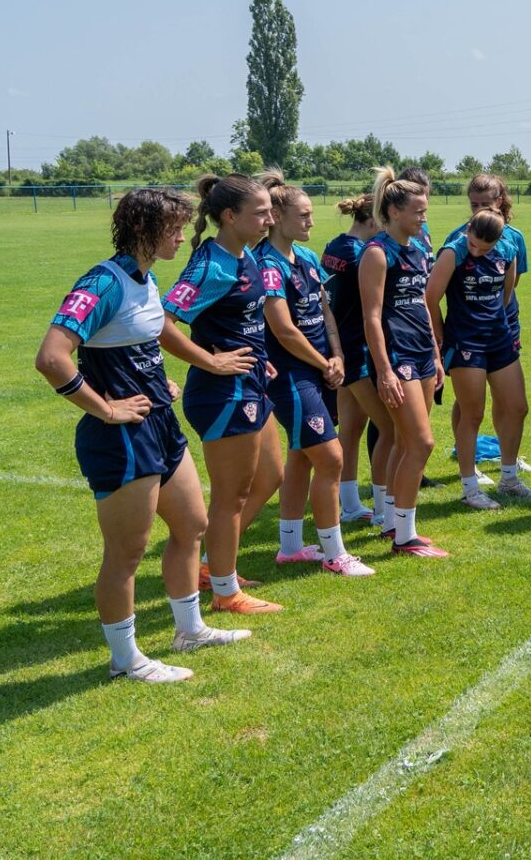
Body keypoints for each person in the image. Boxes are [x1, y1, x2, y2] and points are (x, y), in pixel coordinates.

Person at [35, 187, 251, 681]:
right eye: (173, 228)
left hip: (160, 425)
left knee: (192, 524)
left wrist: (158, 380)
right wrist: (107, 409)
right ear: (142, 229)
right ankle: (125, 659)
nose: (181, 236)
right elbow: (51, 358)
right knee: (127, 553)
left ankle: (189, 630)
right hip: (121, 437)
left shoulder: (146, 277)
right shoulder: (103, 282)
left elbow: (147, 338)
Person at [164, 174, 285, 613]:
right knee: (230, 496)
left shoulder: (245, 253)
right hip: (222, 393)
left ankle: (213, 567)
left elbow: (238, 319)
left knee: (270, 477)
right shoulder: (211, 265)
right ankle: (225, 592)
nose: (270, 219)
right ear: (230, 216)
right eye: (261, 213)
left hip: (250, 382)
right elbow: (162, 322)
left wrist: (258, 356)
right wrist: (211, 362)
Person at [256, 183, 373, 576]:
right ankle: (335, 554)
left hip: (321, 367)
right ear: (276, 218)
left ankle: (290, 548)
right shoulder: (267, 265)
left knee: (301, 456)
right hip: (291, 375)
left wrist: (337, 355)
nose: (311, 221)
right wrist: (325, 362)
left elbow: (325, 313)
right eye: (303, 215)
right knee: (331, 458)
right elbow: (284, 331)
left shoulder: (305, 256)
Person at [359, 167, 449, 558]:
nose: (423, 218)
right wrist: (383, 370)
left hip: (422, 354)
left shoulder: (418, 248)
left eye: (425, 211)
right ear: (394, 212)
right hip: (397, 358)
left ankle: (392, 523)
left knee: (404, 441)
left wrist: (436, 354)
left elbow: (422, 306)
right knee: (421, 443)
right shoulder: (377, 253)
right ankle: (405, 537)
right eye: (418, 211)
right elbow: (371, 317)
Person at [430, 207, 531, 509]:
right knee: (472, 413)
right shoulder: (452, 252)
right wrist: (441, 336)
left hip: (499, 338)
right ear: (469, 230)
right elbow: (430, 298)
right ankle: (470, 489)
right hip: (465, 341)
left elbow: (507, 292)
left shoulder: (508, 250)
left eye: (484, 249)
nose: (475, 251)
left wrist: (494, 319)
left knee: (517, 407)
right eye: (473, 244)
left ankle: (509, 479)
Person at [321, 193, 389, 527]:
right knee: (389, 428)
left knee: (351, 428)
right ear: (374, 220)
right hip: (355, 351)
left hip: (339, 347)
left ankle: (349, 505)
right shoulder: (362, 254)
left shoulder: (334, 245)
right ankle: (384, 510)